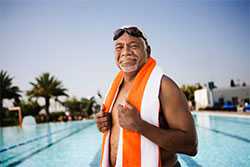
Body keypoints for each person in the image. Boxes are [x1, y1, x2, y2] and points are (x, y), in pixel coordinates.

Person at [96, 26, 197, 167]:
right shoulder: (114, 89)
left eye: (134, 46)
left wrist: (141, 126)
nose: (125, 52)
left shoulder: (164, 86)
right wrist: (104, 124)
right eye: (119, 47)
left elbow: (191, 145)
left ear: (148, 51)